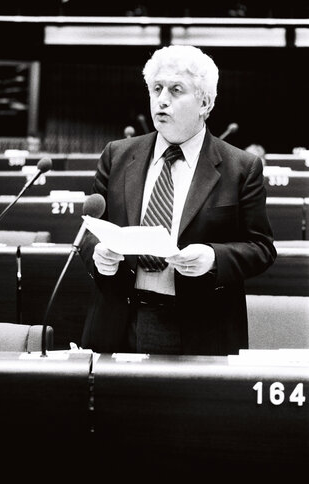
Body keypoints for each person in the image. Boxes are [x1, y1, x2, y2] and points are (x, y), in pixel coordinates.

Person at [79, 44, 277, 356]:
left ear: (205, 102)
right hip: (118, 321)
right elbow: (91, 231)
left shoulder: (241, 167)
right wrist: (98, 255)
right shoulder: (116, 155)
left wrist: (213, 258)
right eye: (156, 88)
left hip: (201, 326)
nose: (162, 99)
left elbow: (261, 248)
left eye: (175, 89)